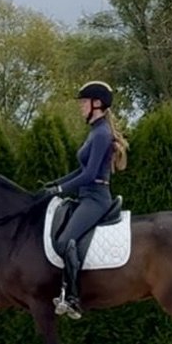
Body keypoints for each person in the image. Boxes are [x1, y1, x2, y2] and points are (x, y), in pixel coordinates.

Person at [43, 81, 129, 319]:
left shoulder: (102, 133)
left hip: (97, 199)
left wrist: (61, 188)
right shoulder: (94, 131)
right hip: (85, 197)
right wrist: (54, 185)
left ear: (97, 104)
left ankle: (73, 297)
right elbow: (81, 170)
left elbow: (90, 175)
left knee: (64, 241)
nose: (81, 107)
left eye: (83, 102)